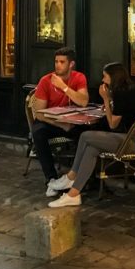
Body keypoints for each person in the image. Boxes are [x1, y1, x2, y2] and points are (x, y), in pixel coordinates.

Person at [46, 63, 135, 208]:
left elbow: (112, 124)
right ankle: (73, 194)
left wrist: (106, 100)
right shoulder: (131, 89)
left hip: (132, 142)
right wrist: (110, 104)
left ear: (113, 78)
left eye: (105, 76)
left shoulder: (121, 93)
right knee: (91, 149)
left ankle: (71, 176)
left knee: (85, 136)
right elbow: (126, 112)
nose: (103, 80)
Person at [32, 47, 89, 193]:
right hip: (51, 122)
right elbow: (38, 113)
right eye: (56, 61)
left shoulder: (79, 77)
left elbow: (83, 102)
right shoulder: (45, 81)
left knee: (86, 135)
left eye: (62, 62)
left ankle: (80, 179)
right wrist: (61, 124)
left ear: (71, 64)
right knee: (38, 133)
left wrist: (63, 87)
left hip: (72, 122)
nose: (57, 65)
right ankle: (51, 179)